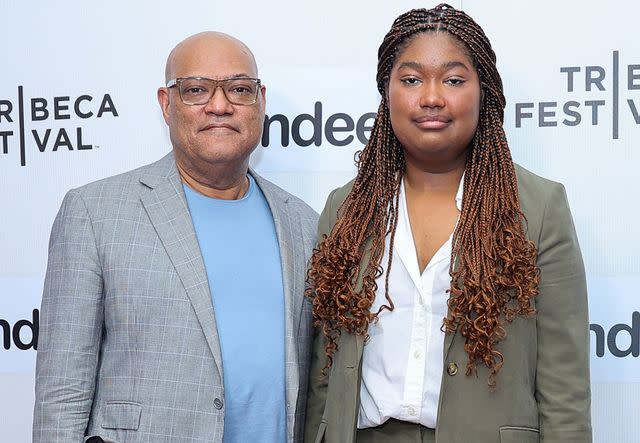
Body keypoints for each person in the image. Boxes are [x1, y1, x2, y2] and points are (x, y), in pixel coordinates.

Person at [304, 4, 591, 443]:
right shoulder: (347, 208)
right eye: (412, 79)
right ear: (388, 93)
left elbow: (564, 387)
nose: (432, 96)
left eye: (454, 80)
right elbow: (323, 372)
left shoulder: (539, 208)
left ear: (484, 92)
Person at [33, 31, 318, 443]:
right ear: (167, 105)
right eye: (196, 90)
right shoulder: (95, 213)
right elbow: (62, 392)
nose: (219, 106)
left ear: (261, 101)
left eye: (239, 89)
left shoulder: (303, 224)